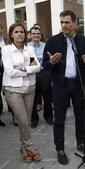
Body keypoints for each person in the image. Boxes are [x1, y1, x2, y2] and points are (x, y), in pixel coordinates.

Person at [42, 10, 85, 165]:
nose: (64, 25)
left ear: (75, 23)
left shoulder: (84, 41)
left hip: (78, 85)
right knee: (59, 119)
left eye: (67, 22)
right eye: (62, 22)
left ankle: (80, 143)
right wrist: (51, 62)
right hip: (60, 85)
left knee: (80, 116)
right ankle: (60, 148)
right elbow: (45, 66)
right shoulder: (53, 41)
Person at [2, 23, 41, 162]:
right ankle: (29, 147)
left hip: (30, 88)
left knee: (27, 120)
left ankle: (23, 148)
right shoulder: (7, 50)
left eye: (22, 32)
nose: (20, 34)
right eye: (16, 32)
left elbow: (37, 67)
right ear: (11, 34)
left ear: (25, 35)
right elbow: (10, 71)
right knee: (23, 120)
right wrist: (27, 68)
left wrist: (21, 67)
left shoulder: (29, 49)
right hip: (13, 90)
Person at [28, 26, 53, 128]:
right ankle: (34, 118)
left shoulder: (45, 46)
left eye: (38, 33)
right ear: (30, 35)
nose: (36, 35)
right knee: (33, 98)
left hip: (44, 73)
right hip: (33, 74)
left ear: (40, 35)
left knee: (47, 97)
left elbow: (48, 60)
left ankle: (48, 116)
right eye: (34, 33)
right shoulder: (27, 47)